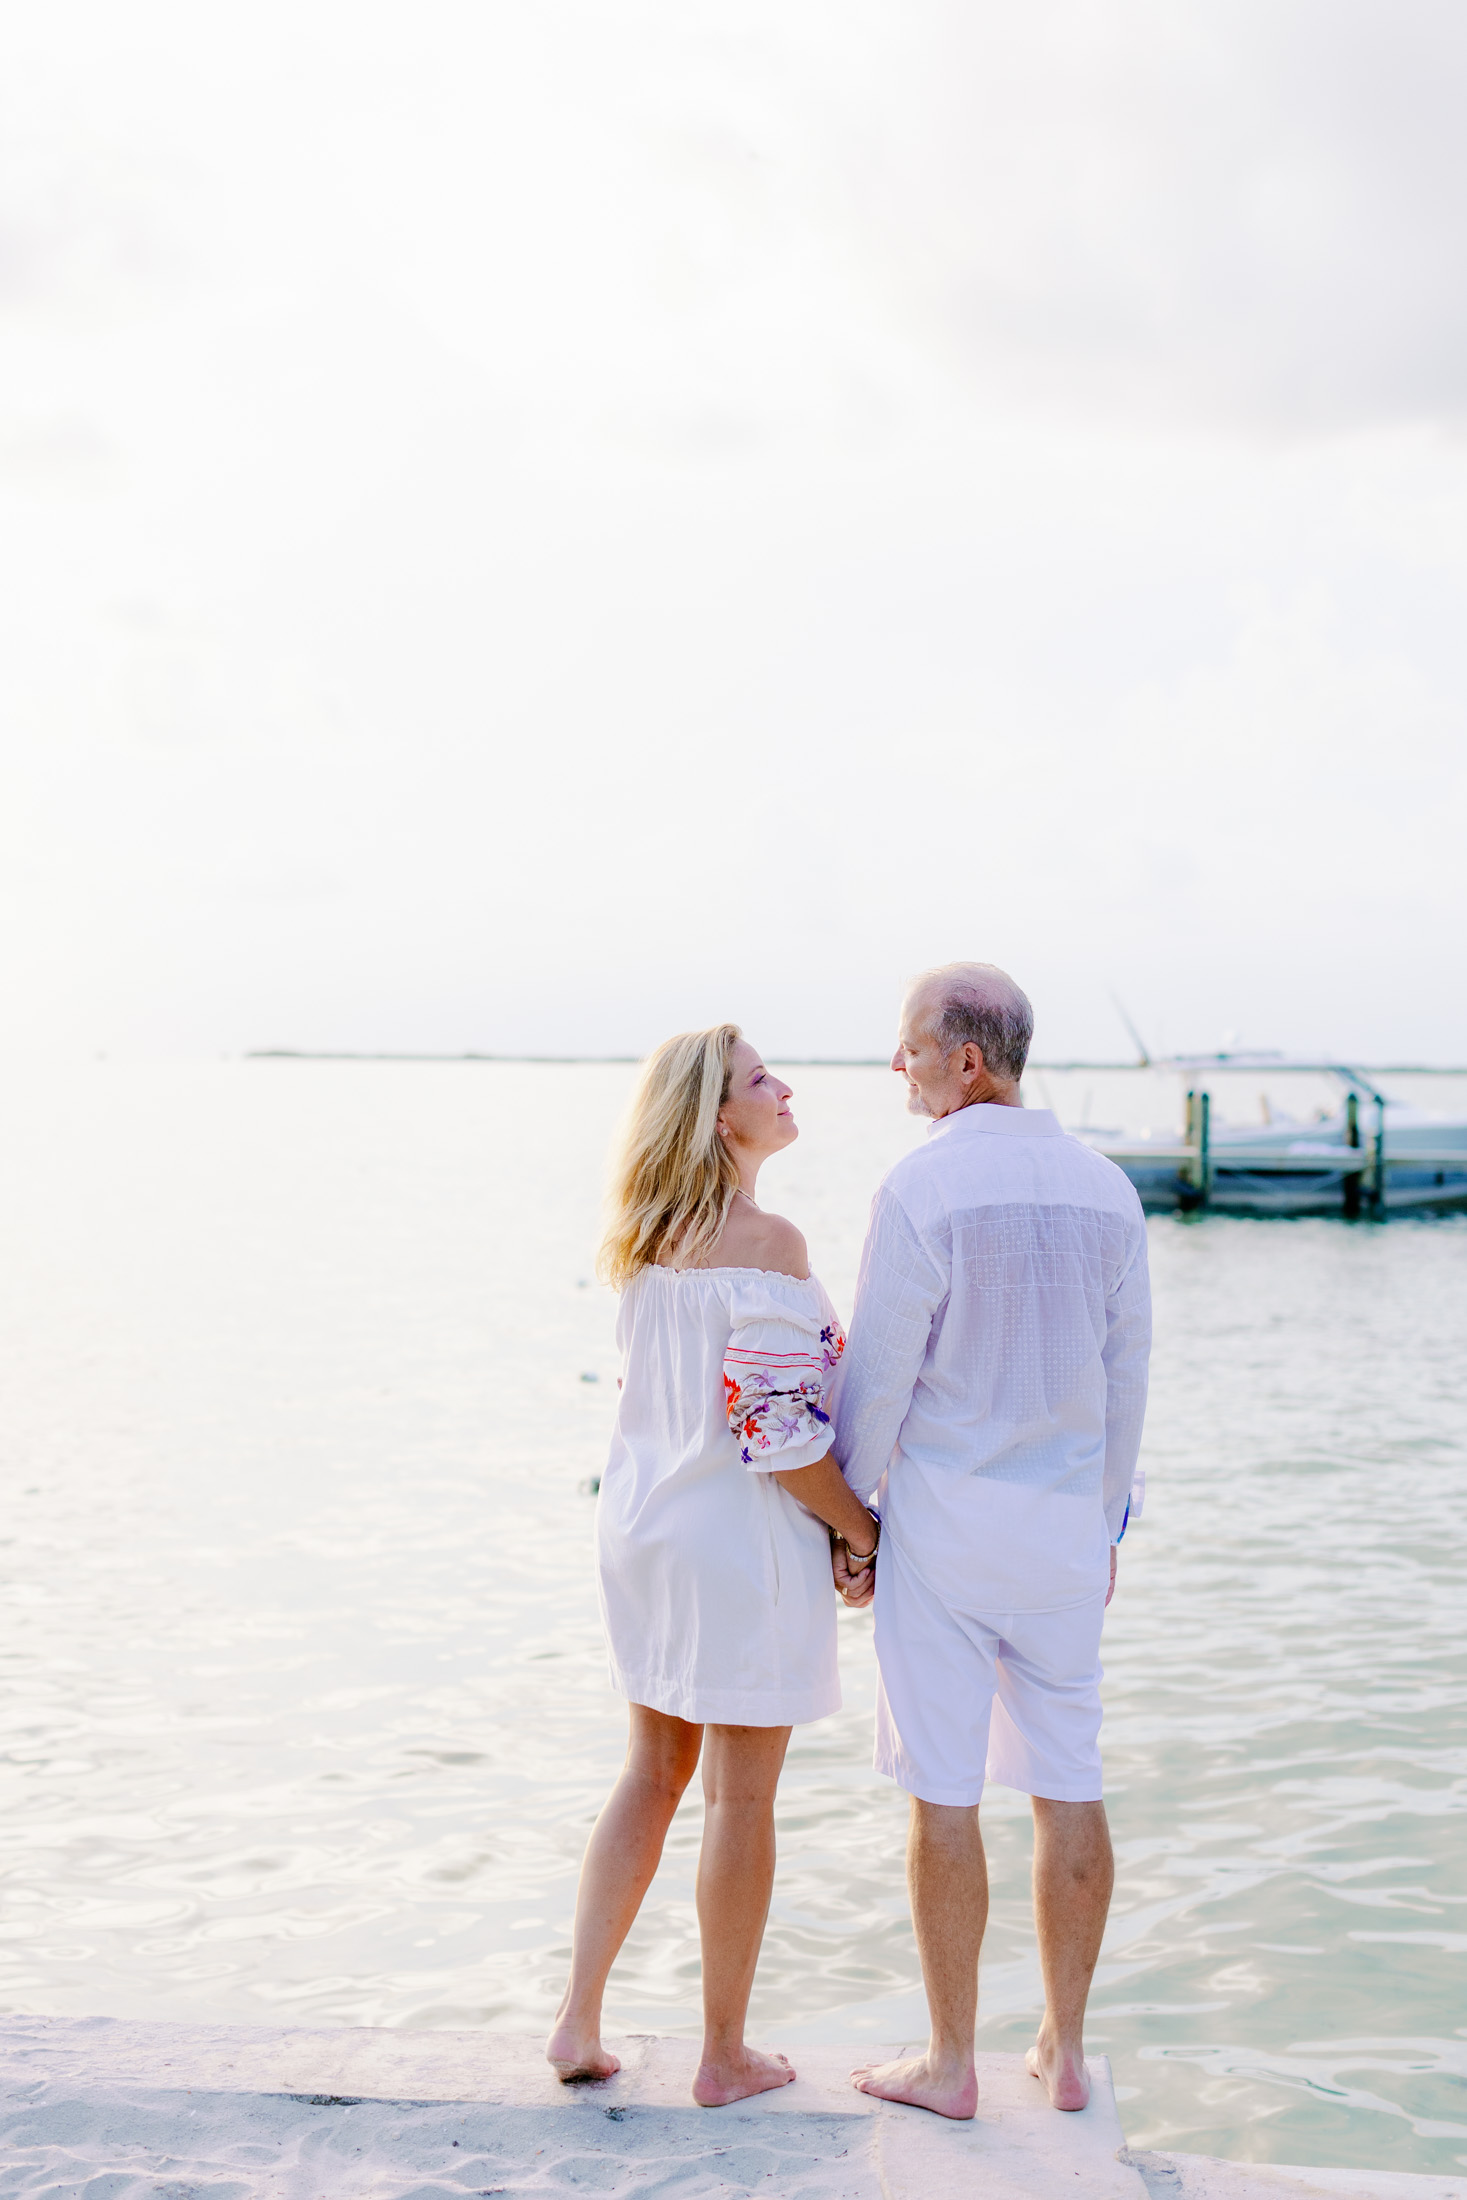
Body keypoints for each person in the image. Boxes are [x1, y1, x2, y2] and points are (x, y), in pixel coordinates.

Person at [830, 962, 1150, 2122]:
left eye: (911, 1044)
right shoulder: (1110, 1189)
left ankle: (952, 2061)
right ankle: (1063, 2053)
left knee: (943, 1791)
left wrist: (854, 1529)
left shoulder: (920, 1189)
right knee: (1070, 1779)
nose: (899, 1065)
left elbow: (876, 1383)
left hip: (949, 1534)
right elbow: (1127, 1381)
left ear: (968, 1058)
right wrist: (1107, 1522)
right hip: (1067, 1533)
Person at [546, 1023, 880, 2107]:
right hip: (739, 1543)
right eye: (759, 1080)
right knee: (743, 1796)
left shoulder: (644, 1242)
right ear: (718, 1116)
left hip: (644, 1534)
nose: (785, 1088)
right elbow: (774, 1428)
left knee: (650, 1772)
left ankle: (577, 2019)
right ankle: (725, 2052)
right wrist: (860, 1529)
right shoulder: (770, 1244)